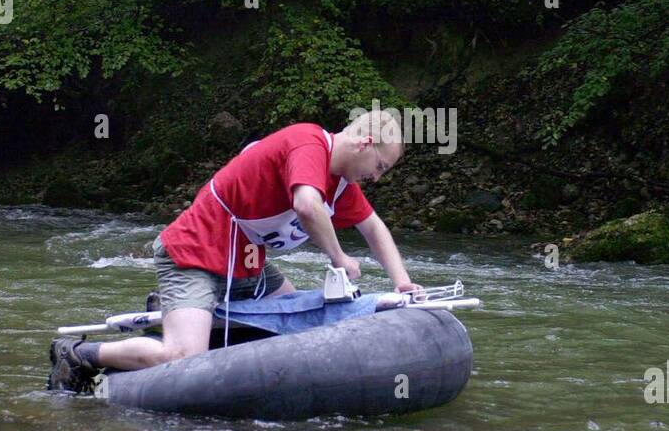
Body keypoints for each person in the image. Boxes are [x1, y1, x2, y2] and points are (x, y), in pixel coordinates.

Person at [48, 109, 422, 392]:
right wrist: (339, 257)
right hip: (194, 254)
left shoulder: (341, 183)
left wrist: (402, 282)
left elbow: (373, 227)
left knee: (298, 323)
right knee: (183, 358)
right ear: (365, 143)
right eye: (380, 166)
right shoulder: (308, 143)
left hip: (246, 266)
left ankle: (176, 311)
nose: (378, 177)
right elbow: (307, 205)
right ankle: (81, 354)